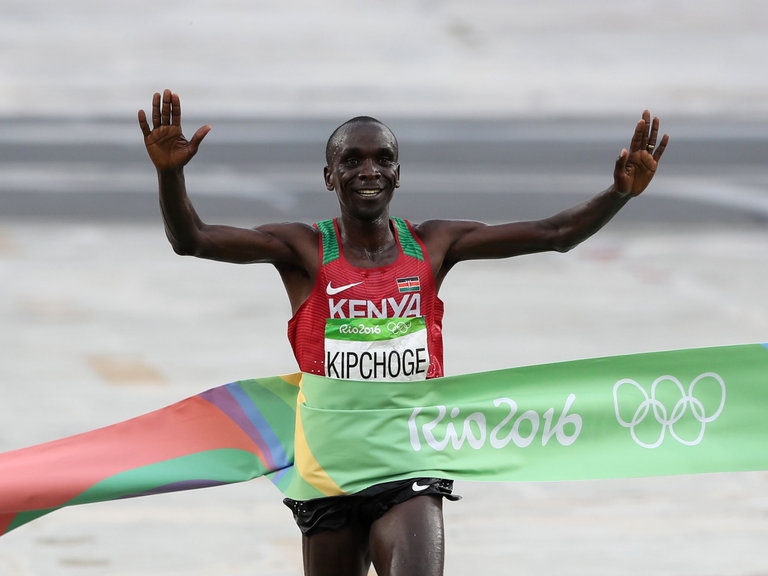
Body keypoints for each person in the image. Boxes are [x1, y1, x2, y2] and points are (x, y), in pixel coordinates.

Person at [138, 89, 668, 576]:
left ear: (398, 173)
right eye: (351, 160)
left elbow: (555, 234)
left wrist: (618, 193)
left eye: (382, 159)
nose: (368, 170)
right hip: (329, 464)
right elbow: (195, 239)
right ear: (329, 177)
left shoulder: (432, 245)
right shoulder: (302, 249)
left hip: (409, 454)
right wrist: (170, 175)